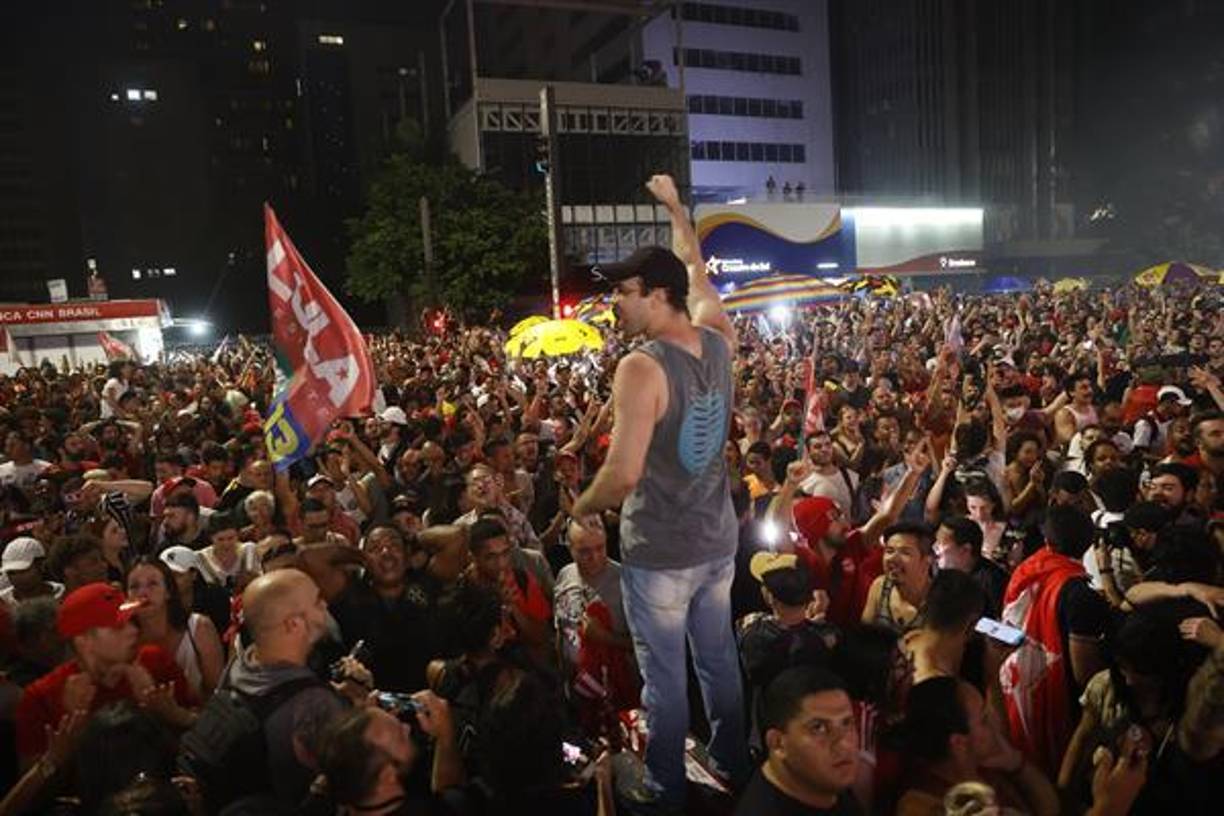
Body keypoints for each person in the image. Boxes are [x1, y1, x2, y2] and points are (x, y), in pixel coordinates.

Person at [570, 173, 748, 809]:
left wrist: (581, 505)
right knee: (718, 660)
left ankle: (666, 788)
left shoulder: (640, 365)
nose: (616, 302)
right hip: (717, 541)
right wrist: (675, 208)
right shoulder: (718, 341)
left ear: (657, 296)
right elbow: (695, 268)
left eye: (626, 292)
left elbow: (623, 475)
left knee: (665, 679)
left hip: (663, 553)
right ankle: (730, 760)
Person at [178, 568, 352, 809]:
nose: (325, 605)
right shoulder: (315, 704)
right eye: (317, 601)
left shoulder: (240, 665)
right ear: (293, 624)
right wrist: (357, 715)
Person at [14, 582, 195, 767]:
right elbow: (31, 780)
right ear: (83, 641)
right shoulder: (40, 698)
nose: (133, 630)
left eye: (131, 621)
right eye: (118, 626)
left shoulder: (155, 661)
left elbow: (202, 727)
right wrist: (64, 749)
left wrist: (174, 715)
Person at [999, 505, 1111, 776]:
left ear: (1048, 540)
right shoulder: (1081, 596)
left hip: (1018, 682)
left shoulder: (1027, 570)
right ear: (1088, 544)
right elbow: (1085, 673)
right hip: (1058, 698)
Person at [896, 676, 1058, 816]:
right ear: (958, 743)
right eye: (984, 720)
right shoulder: (923, 804)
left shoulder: (985, 766)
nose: (994, 723)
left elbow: (1051, 810)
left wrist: (1015, 762)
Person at [737, 553, 839, 752]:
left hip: (768, 727)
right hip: (810, 726)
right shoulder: (826, 636)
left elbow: (744, 628)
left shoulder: (754, 630)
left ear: (769, 596)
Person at [734, 666, 863, 815]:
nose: (843, 744)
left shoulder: (819, 780)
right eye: (818, 728)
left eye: (846, 723)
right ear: (778, 743)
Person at [553, 516, 637, 726]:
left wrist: (604, 637)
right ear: (570, 548)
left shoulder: (628, 583)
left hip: (618, 699)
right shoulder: (565, 575)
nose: (595, 557)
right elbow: (561, 630)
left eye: (600, 548)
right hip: (575, 693)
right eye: (584, 551)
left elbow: (648, 645)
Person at [126, 555, 225, 699]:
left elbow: (218, 694)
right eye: (134, 587)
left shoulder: (199, 628)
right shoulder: (122, 638)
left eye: (152, 584)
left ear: (168, 592)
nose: (142, 593)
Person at [860, 522, 935, 635]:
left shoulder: (940, 599)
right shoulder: (880, 586)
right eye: (889, 551)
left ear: (927, 560)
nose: (893, 558)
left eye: (905, 552)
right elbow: (864, 635)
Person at [933, 515, 1007, 617]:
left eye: (941, 543)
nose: (935, 547)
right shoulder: (940, 574)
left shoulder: (993, 582)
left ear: (965, 550)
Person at [0, 536, 64, 608]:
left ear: (41, 565)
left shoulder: (64, 594)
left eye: (23, 571)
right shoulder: (2, 602)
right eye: (11, 573)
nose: (17, 577)